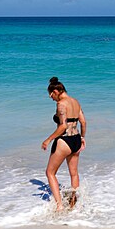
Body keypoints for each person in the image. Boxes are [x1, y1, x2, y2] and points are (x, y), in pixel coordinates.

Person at [41, 77, 87, 211]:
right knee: (74, 173)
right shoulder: (76, 102)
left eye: (51, 94)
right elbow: (83, 122)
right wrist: (83, 137)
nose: (51, 97)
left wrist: (48, 140)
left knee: (50, 172)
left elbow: (62, 127)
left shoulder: (61, 104)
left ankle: (59, 206)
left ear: (57, 91)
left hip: (65, 141)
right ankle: (73, 204)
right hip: (76, 139)